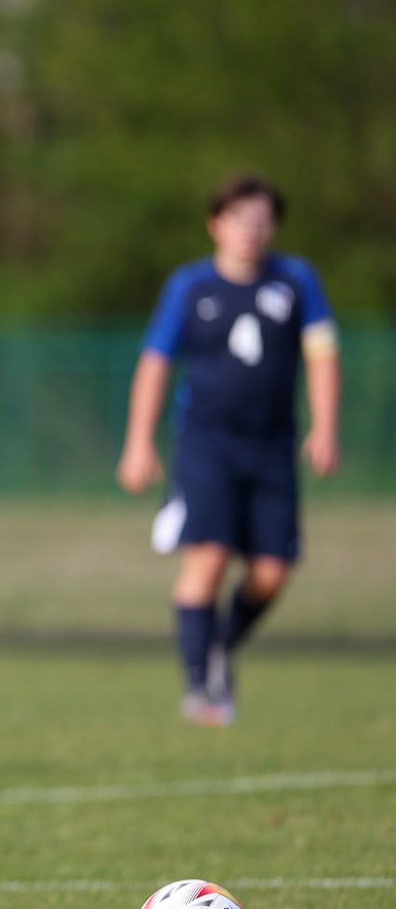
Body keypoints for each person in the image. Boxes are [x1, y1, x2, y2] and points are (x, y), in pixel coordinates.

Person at [116, 173, 339, 726]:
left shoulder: (295, 281)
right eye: (240, 219)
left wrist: (325, 427)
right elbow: (155, 362)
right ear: (216, 224)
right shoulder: (191, 286)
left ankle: (218, 645)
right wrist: (139, 441)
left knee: (272, 571)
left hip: (273, 446)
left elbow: (322, 354)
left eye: (262, 221)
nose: (251, 231)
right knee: (208, 557)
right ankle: (201, 690)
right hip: (207, 443)